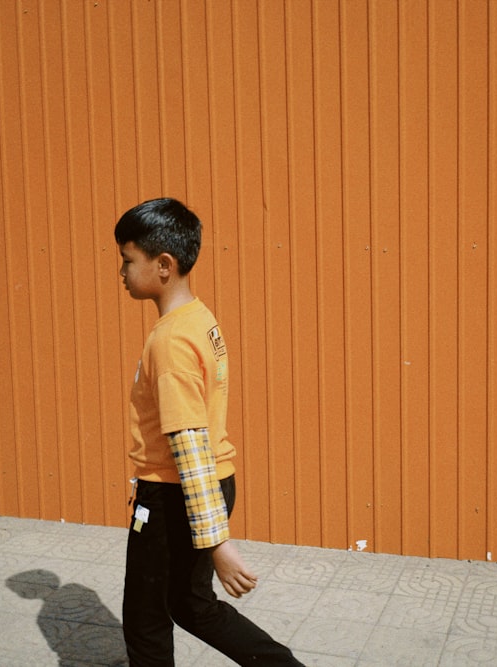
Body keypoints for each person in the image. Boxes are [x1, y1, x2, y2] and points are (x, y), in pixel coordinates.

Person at [116, 198, 302, 666]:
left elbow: (188, 443)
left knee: (146, 618)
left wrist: (217, 542)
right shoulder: (199, 318)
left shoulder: (171, 340)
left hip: (176, 493)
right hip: (206, 485)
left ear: (163, 265)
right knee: (191, 605)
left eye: (127, 260)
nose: (121, 271)